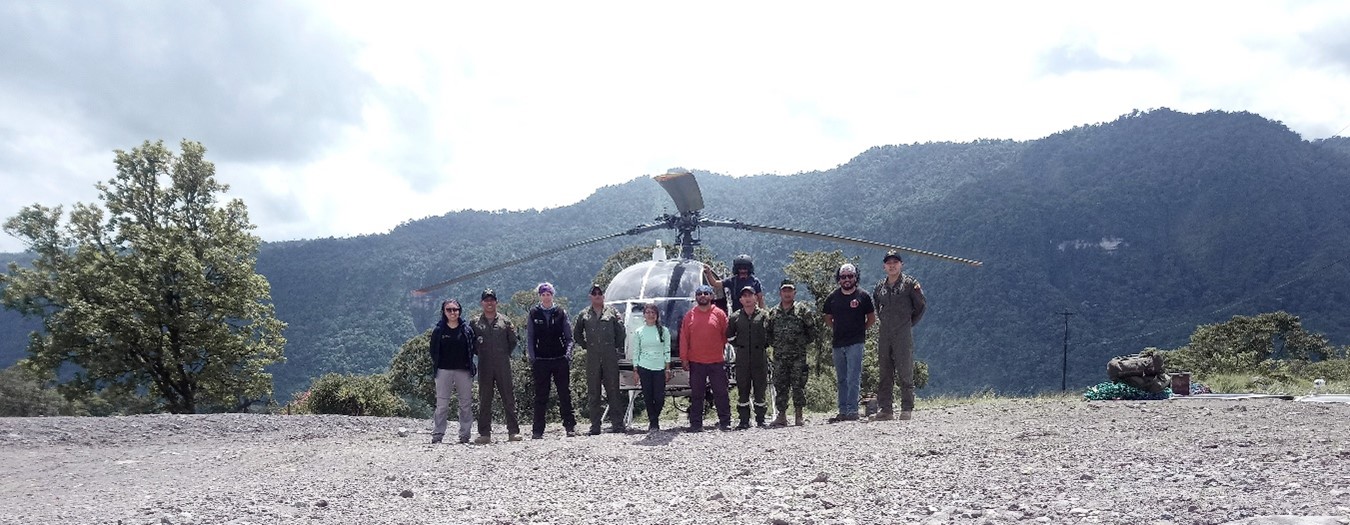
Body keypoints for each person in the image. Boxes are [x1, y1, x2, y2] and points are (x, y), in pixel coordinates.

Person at [872, 250, 927, 421]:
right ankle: (886, 409)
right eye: (889, 263)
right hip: (885, 333)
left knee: (905, 369)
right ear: (884, 266)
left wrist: (908, 323)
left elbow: (920, 306)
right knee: (885, 371)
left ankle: (906, 407)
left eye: (895, 262)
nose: (892, 265)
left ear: (901, 265)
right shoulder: (879, 287)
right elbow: (877, 307)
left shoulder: (910, 284)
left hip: (903, 332)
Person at [821, 263, 875, 423]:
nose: (846, 279)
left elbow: (871, 318)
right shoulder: (832, 298)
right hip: (838, 343)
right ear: (839, 279)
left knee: (853, 377)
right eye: (843, 276)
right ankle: (842, 410)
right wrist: (837, 328)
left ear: (855, 277)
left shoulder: (863, 296)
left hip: (856, 343)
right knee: (841, 378)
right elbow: (827, 317)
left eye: (850, 276)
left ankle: (852, 410)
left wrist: (860, 330)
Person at [470, 288, 523, 444]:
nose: (489, 303)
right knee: (485, 398)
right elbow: (471, 343)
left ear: (496, 302)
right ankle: (484, 433)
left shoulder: (505, 322)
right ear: (482, 303)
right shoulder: (474, 323)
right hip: (484, 364)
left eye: (492, 299)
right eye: (486, 300)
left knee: (508, 397)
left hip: (502, 364)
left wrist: (503, 354)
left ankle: (513, 432)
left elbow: (513, 341)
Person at [573, 283, 627, 435]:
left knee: (614, 391)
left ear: (603, 295)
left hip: (610, 356)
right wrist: (587, 346)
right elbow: (577, 334)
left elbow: (621, 332)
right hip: (593, 357)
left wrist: (613, 347)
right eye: (594, 293)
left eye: (599, 293)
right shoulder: (584, 314)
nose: (597, 295)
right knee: (593, 392)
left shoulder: (612, 312)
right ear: (590, 296)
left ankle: (618, 424)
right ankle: (595, 426)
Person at [527, 282, 577, 439]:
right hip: (541, 360)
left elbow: (569, 337)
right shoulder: (534, 313)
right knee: (541, 395)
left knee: (564, 394)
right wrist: (533, 358)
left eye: (548, 294)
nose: (546, 297)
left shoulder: (561, 312)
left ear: (552, 295)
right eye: (543, 294)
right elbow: (530, 337)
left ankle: (570, 426)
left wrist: (567, 355)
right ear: (539, 296)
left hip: (559, 359)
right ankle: (537, 430)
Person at [679, 283, 732, 432]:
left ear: (712, 296)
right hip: (696, 361)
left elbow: (725, 335)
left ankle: (725, 421)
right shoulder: (689, 315)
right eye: (700, 293)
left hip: (716, 360)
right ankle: (696, 424)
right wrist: (684, 358)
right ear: (696, 297)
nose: (703, 296)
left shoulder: (720, 314)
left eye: (706, 293)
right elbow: (684, 338)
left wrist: (718, 349)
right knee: (697, 394)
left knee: (721, 392)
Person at [766, 278, 817, 427]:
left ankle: (799, 416)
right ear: (780, 293)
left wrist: (799, 344)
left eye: (790, 290)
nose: (787, 293)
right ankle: (781, 416)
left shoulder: (803, 311)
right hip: (780, 357)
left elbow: (812, 332)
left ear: (795, 292)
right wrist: (777, 345)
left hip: (798, 357)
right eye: (784, 290)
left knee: (798, 385)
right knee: (780, 386)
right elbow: (768, 333)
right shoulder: (773, 312)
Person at [429, 299, 476, 444]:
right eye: (449, 310)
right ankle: (438, 434)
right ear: (444, 312)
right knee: (442, 404)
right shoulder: (439, 330)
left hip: (463, 370)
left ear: (459, 311)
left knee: (465, 404)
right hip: (443, 370)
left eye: (455, 309)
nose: (452, 312)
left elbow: (472, 348)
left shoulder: (467, 330)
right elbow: (433, 350)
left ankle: (465, 435)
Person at [726, 286, 771, 429]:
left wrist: (763, 345)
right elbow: (730, 336)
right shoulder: (734, 317)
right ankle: (744, 420)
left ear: (755, 298)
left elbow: (770, 335)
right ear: (740, 299)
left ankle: (761, 419)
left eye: (750, 295)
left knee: (760, 389)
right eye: (744, 296)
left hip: (759, 357)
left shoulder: (764, 316)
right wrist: (740, 345)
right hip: (742, 358)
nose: (747, 298)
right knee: (743, 389)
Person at [630, 303, 673, 432]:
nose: (650, 315)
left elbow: (667, 350)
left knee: (659, 397)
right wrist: (635, 369)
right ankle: (653, 422)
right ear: (644, 315)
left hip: (659, 367)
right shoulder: (639, 332)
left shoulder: (663, 331)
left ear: (657, 315)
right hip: (644, 367)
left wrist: (667, 368)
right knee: (648, 396)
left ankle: (655, 416)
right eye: (648, 312)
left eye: (653, 312)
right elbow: (636, 351)